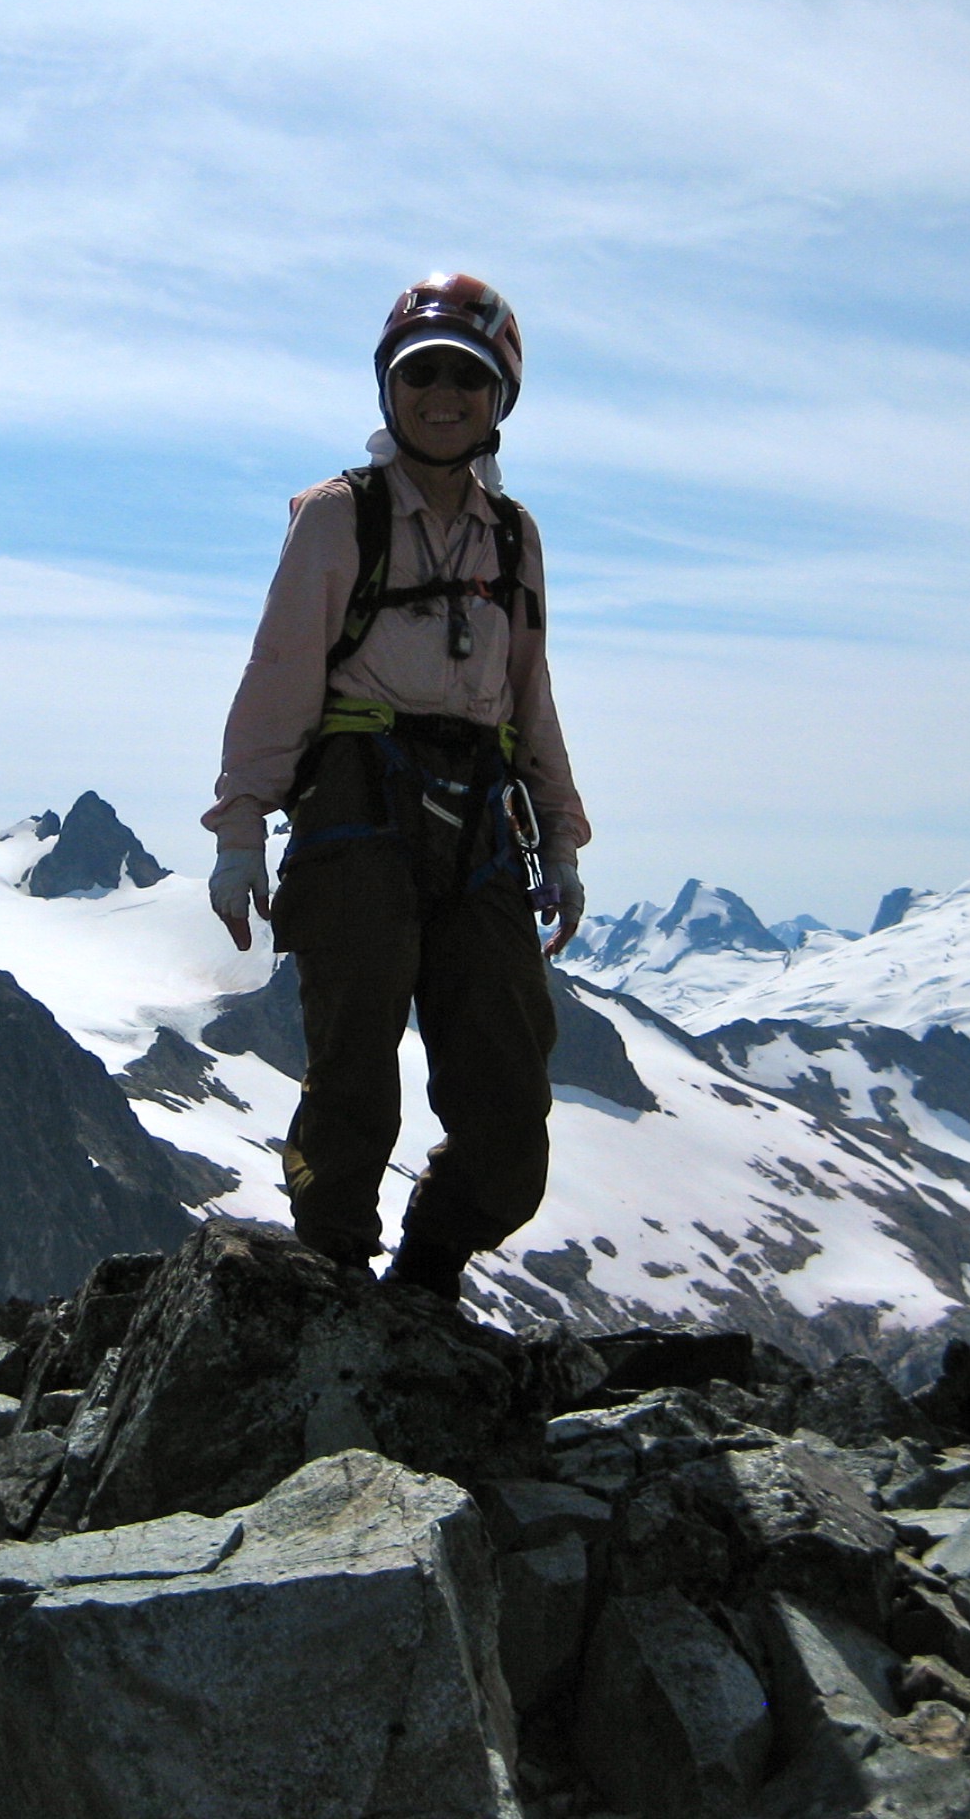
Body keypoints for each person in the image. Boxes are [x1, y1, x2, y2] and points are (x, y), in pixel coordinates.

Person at [202, 273, 589, 1304]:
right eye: (423, 374)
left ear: (501, 397)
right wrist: (241, 828)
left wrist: (561, 835)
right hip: (355, 810)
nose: (443, 396)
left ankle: (422, 1279)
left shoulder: (515, 537)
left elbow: (527, 690)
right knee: (353, 1080)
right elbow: (279, 672)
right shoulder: (340, 518)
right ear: (390, 387)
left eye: (468, 377)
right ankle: (332, 1286)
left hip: (483, 828)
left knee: (509, 1103)